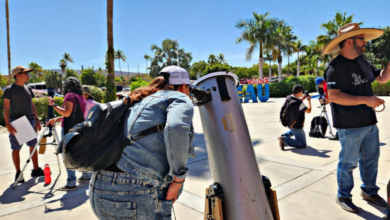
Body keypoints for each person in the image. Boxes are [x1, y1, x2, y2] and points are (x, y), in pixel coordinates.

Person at [89, 66, 195, 220]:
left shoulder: (139, 97)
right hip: (135, 192)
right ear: (184, 86)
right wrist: (178, 180)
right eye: (189, 88)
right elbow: (176, 127)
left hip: (99, 186)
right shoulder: (178, 97)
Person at [323, 23, 390, 213]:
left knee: (371, 160)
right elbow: (333, 96)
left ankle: (369, 192)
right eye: (362, 40)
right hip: (349, 125)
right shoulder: (335, 67)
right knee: (348, 162)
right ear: (350, 41)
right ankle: (343, 196)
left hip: (369, 123)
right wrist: (366, 100)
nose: (365, 44)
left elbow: (383, 78)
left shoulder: (363, 61)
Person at [46, 77, 90, 190]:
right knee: (80, 152)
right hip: (79, 129)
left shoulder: (69, 95)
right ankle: (86, 175)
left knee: (68, 154)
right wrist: (58, 119)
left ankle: (71, 182)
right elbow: (72, 114)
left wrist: (53, 105)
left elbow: (67, 113)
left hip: (69, 130)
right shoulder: (81, 97)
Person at [3, 66, 44, 183]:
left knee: (33, 146)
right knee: (16, 148)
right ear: (18, 75)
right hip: (17, 122)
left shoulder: (28, 88)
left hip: (30, 121)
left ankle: (35, 169)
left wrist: (36, 120)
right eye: (26, 73)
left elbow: (32, 105)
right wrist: (8, 125)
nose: (28, 75)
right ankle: (18, 173)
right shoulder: (9, 90)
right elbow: (6, 109)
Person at [278, 84, 312, 150]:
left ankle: (283, 136)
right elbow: (309, 110)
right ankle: (285, 140)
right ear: (300, 92)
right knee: (302, 144)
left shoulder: (289, 97)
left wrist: (301, 99)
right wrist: (309, 101)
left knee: (293, 131)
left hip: (288, 122)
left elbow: (295, 105)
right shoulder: (299, 103)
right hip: (296, 126)